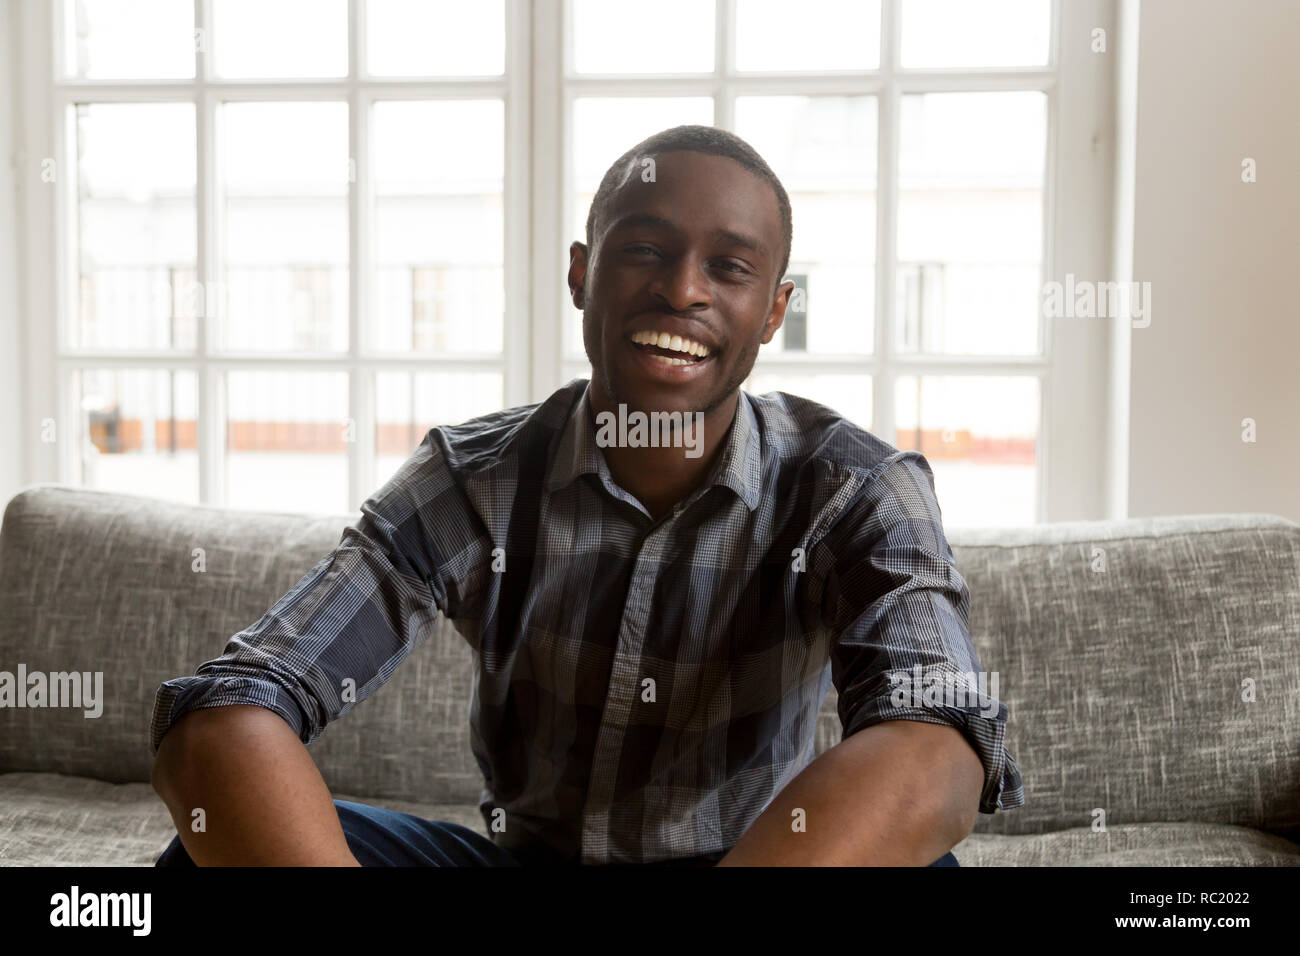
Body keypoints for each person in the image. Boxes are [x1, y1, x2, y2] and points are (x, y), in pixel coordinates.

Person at [150, 125, 1022, 868]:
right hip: (528, 862)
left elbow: (936, 744)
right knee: (205, 849)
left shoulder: (857, 488)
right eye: (644, 248)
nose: (682, 289)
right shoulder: (471, 479)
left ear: (771, 312)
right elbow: (230, 712)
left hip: (759, 859)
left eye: (728, 266)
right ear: (581, 273)